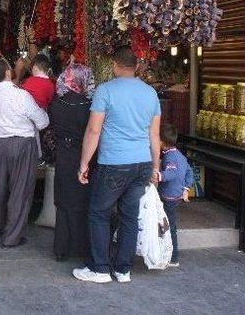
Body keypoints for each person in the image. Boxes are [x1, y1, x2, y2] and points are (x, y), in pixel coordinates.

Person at [73, 46, 161, 284]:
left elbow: (93, 130)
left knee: (98, 213)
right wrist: (155, 167)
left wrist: (84, 163)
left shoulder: (105, 91)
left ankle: (100, 268)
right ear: (136, 66)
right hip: (141, 163)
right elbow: (155, 136)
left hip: (114, 163)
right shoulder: (150, 93)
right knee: (129, 217)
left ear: (115, 64)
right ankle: (123, 270)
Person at [0, 57, 49, 248]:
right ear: (7, 73)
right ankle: (12, 237)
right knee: (20, 191)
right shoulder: (21, 95)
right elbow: (42, 122)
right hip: (22, 144)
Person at [48, 64, 95, 261]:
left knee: (63, 200)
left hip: (63, 155)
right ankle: (81, 247)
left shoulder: (56, 104)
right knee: (82, 201)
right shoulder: (89, 106)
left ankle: (61, 248)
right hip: (84, 156)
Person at [157, 122, 194, 267]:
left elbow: (171, 173)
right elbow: (189, 172)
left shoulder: (170, 157)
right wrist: (186, 188)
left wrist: (158, 176)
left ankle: (173, 257)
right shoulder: (180, 155)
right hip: (176, 195)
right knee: (168, 225)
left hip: (169, 197)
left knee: (169, 226)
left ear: (162, 142)